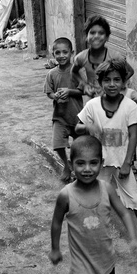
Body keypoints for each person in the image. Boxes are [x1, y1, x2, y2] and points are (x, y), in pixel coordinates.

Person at [49, 135, 137, 274]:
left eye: (93, 163)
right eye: (80, 163)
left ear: (101, 163)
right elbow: (56, 222)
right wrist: (55, 249)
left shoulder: (107, 189)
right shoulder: (66, 195)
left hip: (106, 261)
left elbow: (124, 213)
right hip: (82, 268)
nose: (87, 169)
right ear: (71, 164)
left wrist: (134, 238)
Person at [76, 59, 137, 253]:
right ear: (100, 82)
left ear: (123, 82)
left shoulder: (129, 106)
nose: (112, 84)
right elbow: (77, 127)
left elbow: (134, 136)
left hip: (121, 163)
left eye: (117, 80)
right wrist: (88, 126)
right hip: (99, 164)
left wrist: (128, 163)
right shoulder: (93, 106)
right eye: (107, 80)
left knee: (135, 200)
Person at [44, 38, 84, 182]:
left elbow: (83, 90)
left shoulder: (77, 72)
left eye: (65, 52)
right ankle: (66, 165)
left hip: (78, 115)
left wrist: (70, 91)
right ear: (53, 54)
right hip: (59, 116)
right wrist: (54, 95)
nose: (61, 55)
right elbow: (49, 92)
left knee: (80, 146)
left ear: (72, 53)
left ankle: (76, 165)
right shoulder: (51, 74)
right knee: (58, 144)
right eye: (57, 52)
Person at [72, 15, 134, 100]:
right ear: (86, 36)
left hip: (113, 99)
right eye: (92, 32)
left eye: (101, 33)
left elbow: (130, 71)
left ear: (107, 38)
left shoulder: (114, 56)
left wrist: (118, 85)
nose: (96, 36)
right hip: (93, 99)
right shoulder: (81, 57)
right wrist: (84, 84)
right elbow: (74, 72)